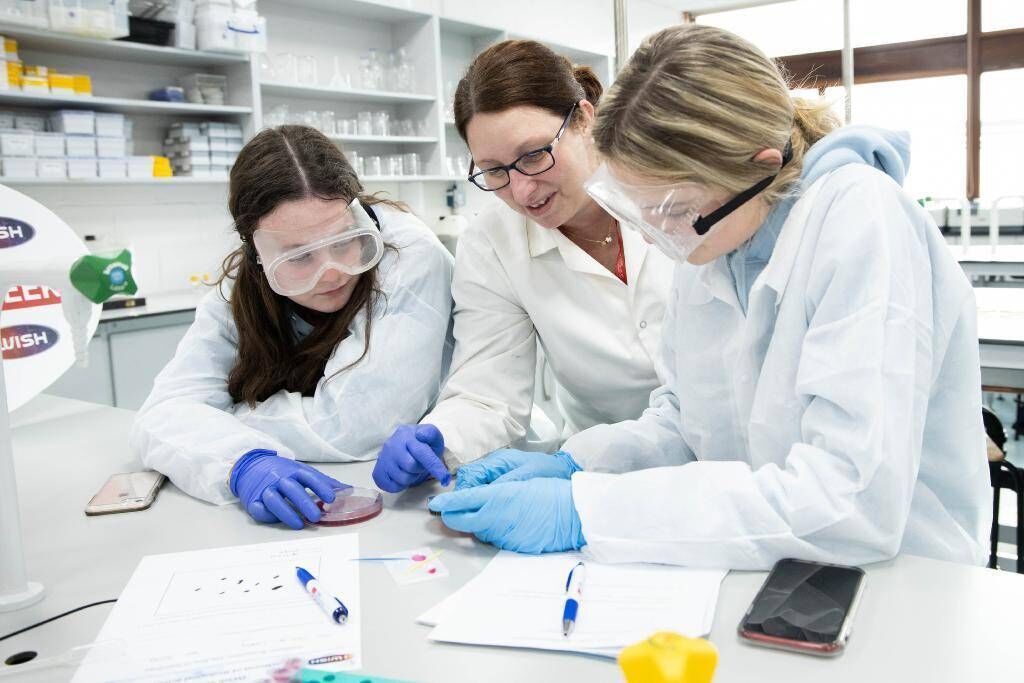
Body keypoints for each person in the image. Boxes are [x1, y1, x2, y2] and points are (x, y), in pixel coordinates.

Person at [429, 25, 991, 569]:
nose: (656, 232)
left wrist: (589, 510)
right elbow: (686, 419)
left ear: (759, 168)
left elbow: (849, 500)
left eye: (671, 211)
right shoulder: (718, 234)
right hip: (769, 561)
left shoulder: (860, 219)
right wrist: (578, 463)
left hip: (905, 580)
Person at [372, 40, 674, 493]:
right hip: (603, 473)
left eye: (534, 155)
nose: (522, 190)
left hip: (744, 455)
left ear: (584, 120)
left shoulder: (672, 190)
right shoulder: (493, 243)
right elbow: (489, 390)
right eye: (493, 171)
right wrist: (441, 438)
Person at [131, 125, 454, 529]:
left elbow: (354, 426)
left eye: (343, 241)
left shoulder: (408, 255)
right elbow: (164, 410)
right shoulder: (242, 286)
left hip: (419, 495)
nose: (330, 273)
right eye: (299, 258)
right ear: (257, 253)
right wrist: (243, 462)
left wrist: (224, 421)